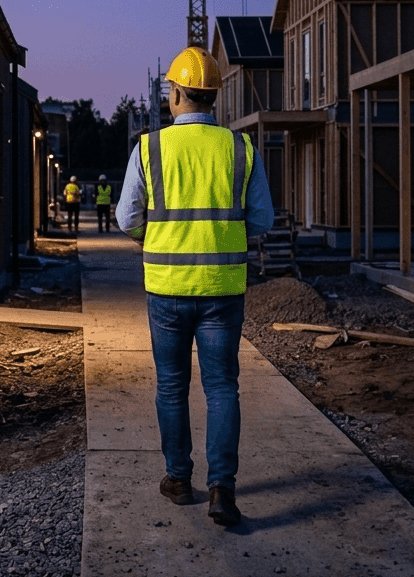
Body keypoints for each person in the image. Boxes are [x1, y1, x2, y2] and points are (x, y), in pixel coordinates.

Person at [116, 46, 273, 527]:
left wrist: (155, 236)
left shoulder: (150, 148)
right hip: (223, 289)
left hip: (167, 289)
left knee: (171, 385)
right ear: (214, 96)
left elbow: (126, 218)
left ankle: (179, 479)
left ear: (176, 93)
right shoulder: (240, 148)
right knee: (222, 386)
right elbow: (261, 220)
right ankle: (222, 489)